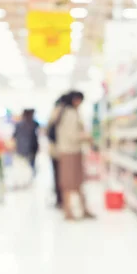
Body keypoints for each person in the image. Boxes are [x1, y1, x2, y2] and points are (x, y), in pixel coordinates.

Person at [56, 91, 95, 221]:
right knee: (70, 183)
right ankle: (69, 212)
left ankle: (81, 209)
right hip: (70, 152)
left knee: (77, 182)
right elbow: (72, 135)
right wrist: (86, 137)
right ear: (75, 100)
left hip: (71, 152)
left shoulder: (64, 112)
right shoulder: (70, 113)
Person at [46, 94, 66, 208]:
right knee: (60, 175)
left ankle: (60, 199)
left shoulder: (53, 113)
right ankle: (60, 199)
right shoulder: (60, 113)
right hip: (59, 150)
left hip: (54, 150)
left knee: (57, 175)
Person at [13, 109, 39, 176]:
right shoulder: (34, 124)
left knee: (24, 165)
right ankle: (29, 177)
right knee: (28, 165)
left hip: (23, 148)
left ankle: (26, 178)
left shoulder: (19, 125)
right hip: (30, 148)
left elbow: (14, 136)